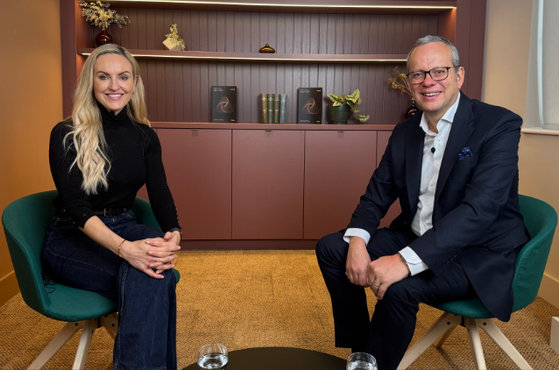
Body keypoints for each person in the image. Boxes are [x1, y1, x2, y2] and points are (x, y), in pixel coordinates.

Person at [316, 35, 529, 370]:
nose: (428, 81)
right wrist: (358, 239)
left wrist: (403, 262)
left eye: (439, 71)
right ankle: (363, 354)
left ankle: (376, 364)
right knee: (332, 247)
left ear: (459, 76)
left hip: (477, 252)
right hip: (419, 233)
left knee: (401, 288)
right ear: (409, 83)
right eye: (418, 74)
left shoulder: (498, 125)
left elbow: (479, 211)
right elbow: (378, 192)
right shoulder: (405, 132)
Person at [42, 44, 181, 370]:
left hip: (124, 222)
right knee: (154, 276)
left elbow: (159, 192)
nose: (114, 86)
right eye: (104, 77)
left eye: (123, 77)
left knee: (153, 259)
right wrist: (124, 250)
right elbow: (76, 206)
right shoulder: (66, 133)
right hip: (71, 239)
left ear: (134, 83)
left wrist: (174, 232)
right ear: (91, 82)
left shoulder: (144, 136)